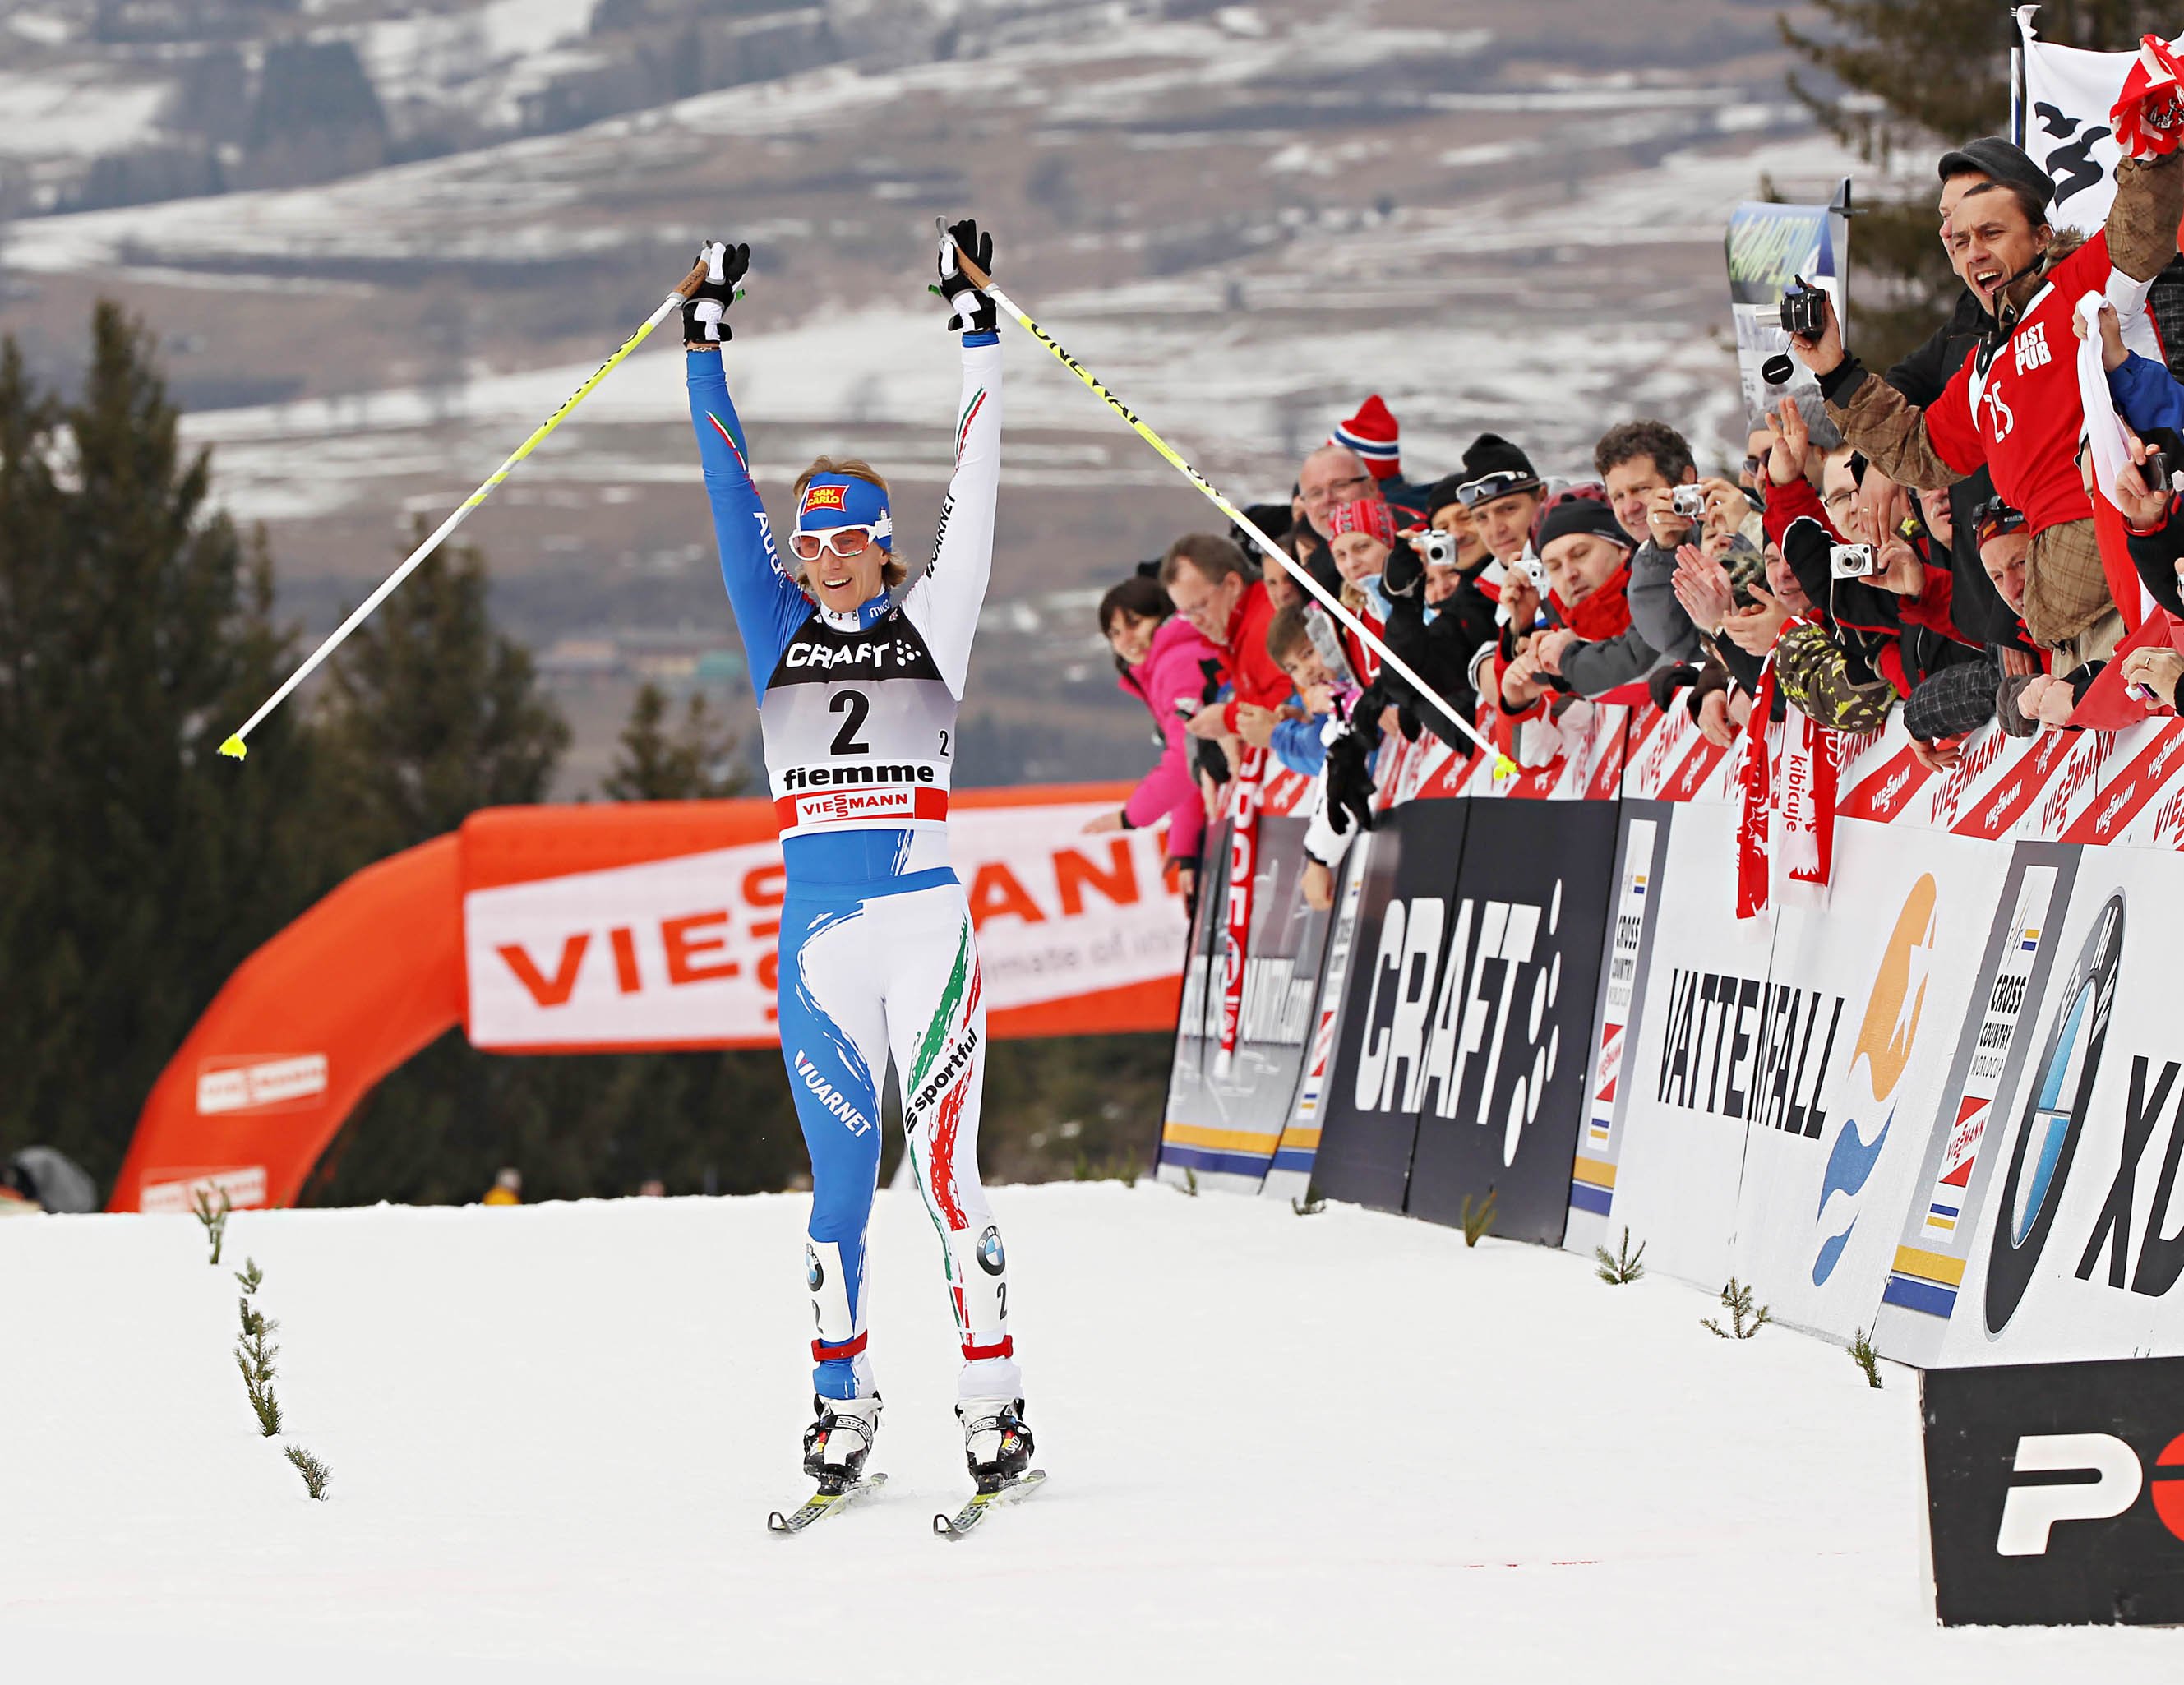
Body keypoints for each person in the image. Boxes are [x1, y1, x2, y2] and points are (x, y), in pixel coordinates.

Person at [684, 224, 1032, 1497]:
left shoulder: (935, 615)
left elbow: (977, 477)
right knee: (837, 1193)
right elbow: (727, 486)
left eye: (851, 542)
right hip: (820, 939)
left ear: (885, 544)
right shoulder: (772, 622)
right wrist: (704, 340)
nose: (829, 561)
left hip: (925, 924)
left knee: (946, 1175)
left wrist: (976, 330)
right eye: (813, 543)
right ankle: (839, 1404)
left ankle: (994, 1400)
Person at [1791, 133, 2184, 662]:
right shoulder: (1981, 369)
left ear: (2043, 236)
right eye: (1960, 243)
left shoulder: (2074, 286)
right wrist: (1835, 371)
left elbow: (2140, 230)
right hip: (2070, 633)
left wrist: (2153, 145)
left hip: (2138, 590)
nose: (1975, 252)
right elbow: (1920, 453)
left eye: (1992, 233)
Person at [1087, 574, 1226, 902]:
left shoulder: (1177, 663)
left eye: (1135, 623)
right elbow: (1197, 761)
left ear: (1162, 614)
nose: (1126, 640)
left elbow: (1185, 761)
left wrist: (1131, 816)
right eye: (1115, 633)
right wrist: (1186, 849)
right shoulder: (1166, 662)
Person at [1165, 533, 1292, 758]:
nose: (1197, 622)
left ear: (1232, 584)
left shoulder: (1265, 626)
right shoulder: (1236, 636)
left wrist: (1228, 720)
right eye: (1187, 614)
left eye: (1200, 606)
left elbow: (1292, 699)